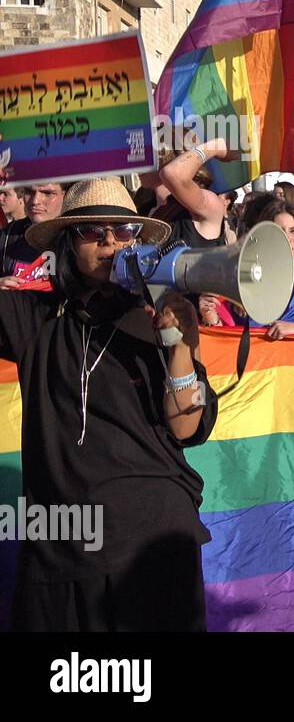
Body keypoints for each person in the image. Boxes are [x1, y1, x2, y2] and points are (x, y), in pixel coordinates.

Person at [1, 177, 217, 631]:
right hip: (58, 548)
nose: (110, 242)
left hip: (152, 544)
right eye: (92, 231)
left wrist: (180, 347)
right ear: (66, 242)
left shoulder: (160, 315)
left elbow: (187, 427)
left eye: (123, 231)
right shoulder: (37, 319)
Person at [210, 193, 294, 338]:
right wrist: (212, 316)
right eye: (279, 231)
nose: (288, 239)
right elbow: (228, 336)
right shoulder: (243, 274)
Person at [0, 181, 65, 283]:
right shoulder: (8, 233)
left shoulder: (78, 237)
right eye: (29, 191)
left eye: (47, 193)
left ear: (65, 195)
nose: (35, 201)